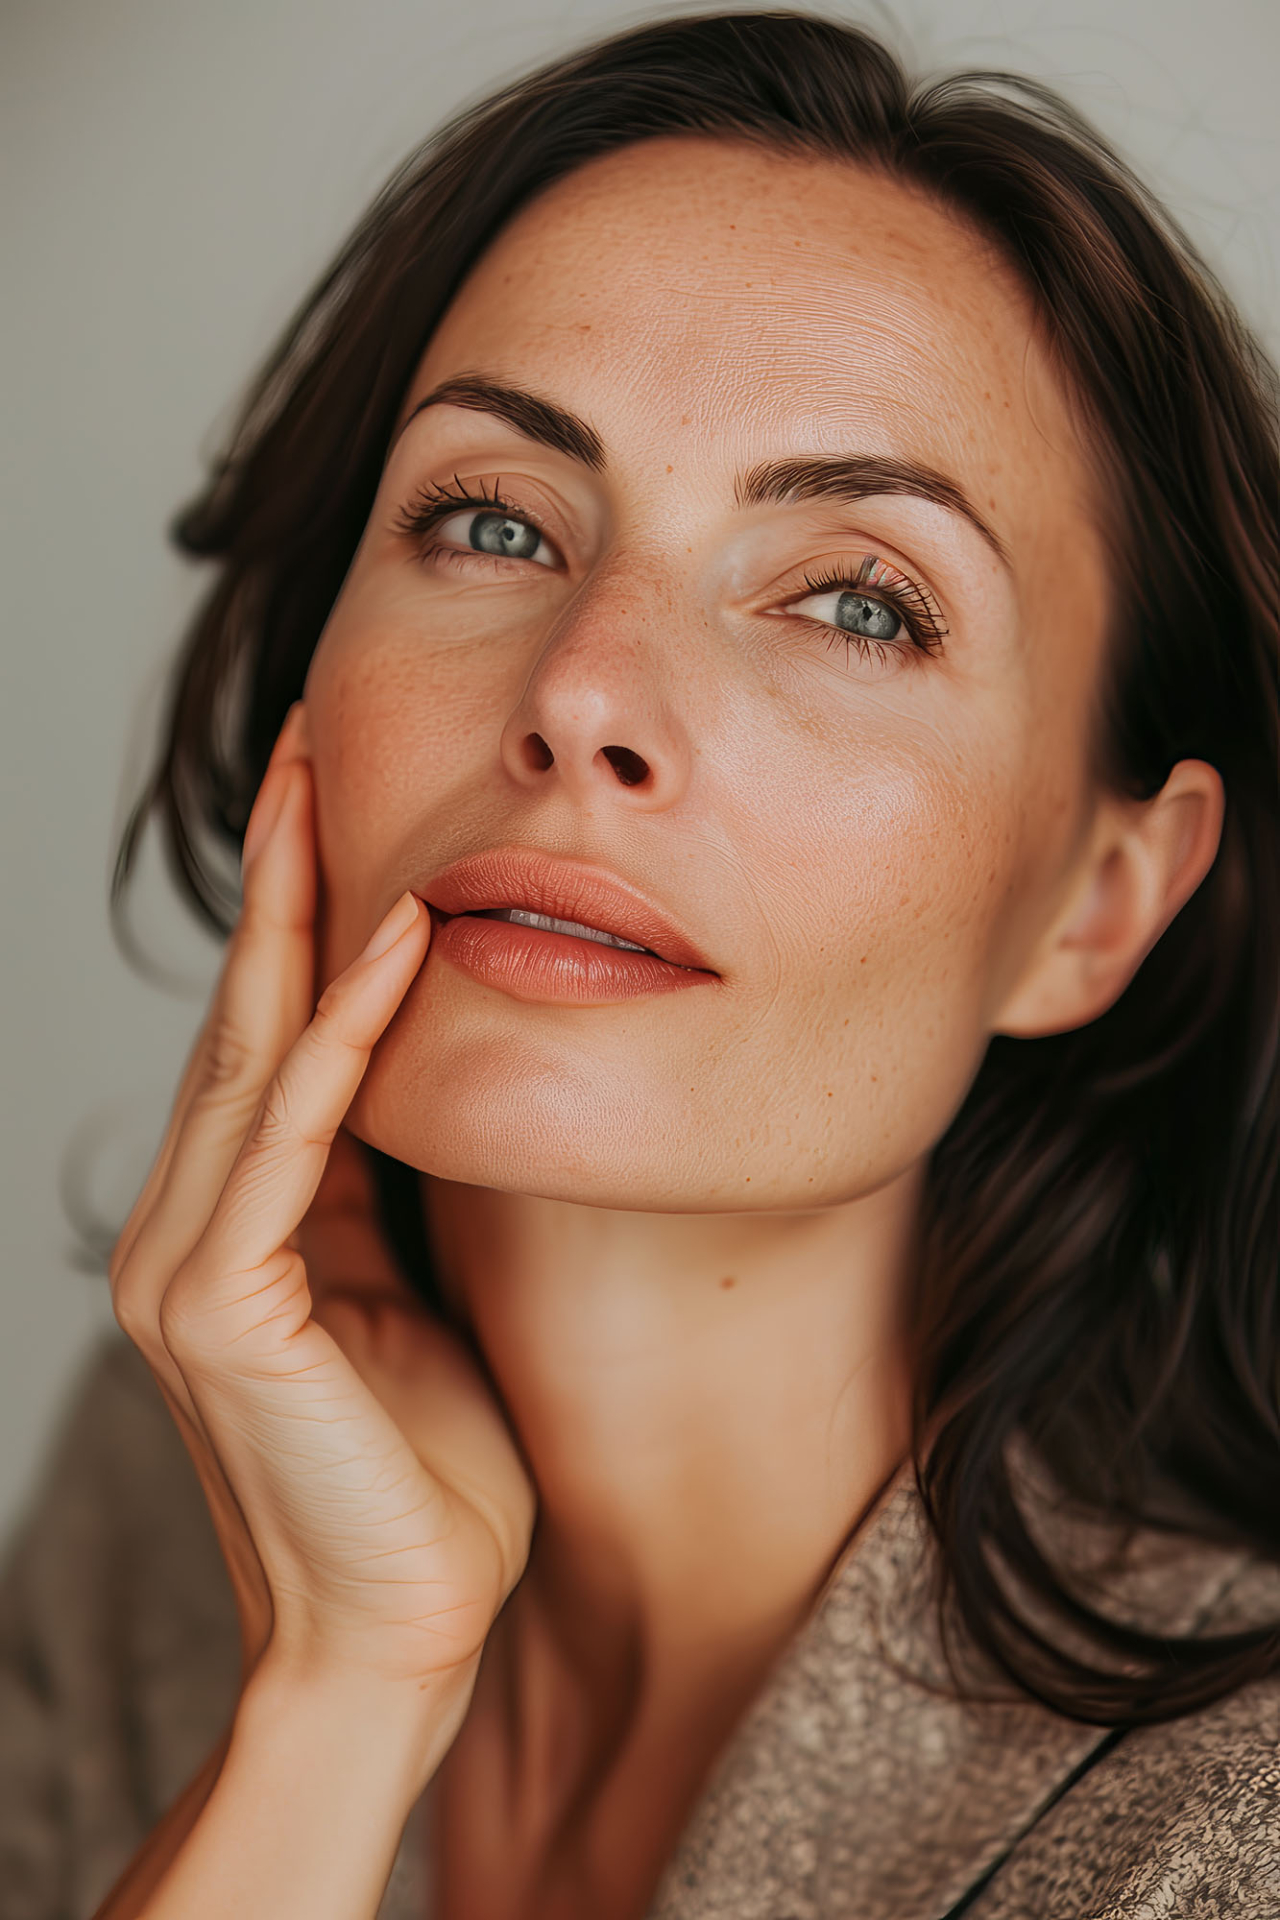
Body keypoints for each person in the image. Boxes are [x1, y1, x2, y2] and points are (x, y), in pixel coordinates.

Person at [2, 11, 1277, 1918]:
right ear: (306, 702)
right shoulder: (166, 1494)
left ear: (1096, 903)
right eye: (493, 520)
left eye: (861, 602)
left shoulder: (1229, 1829)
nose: (585, 688)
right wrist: (342, 1695)